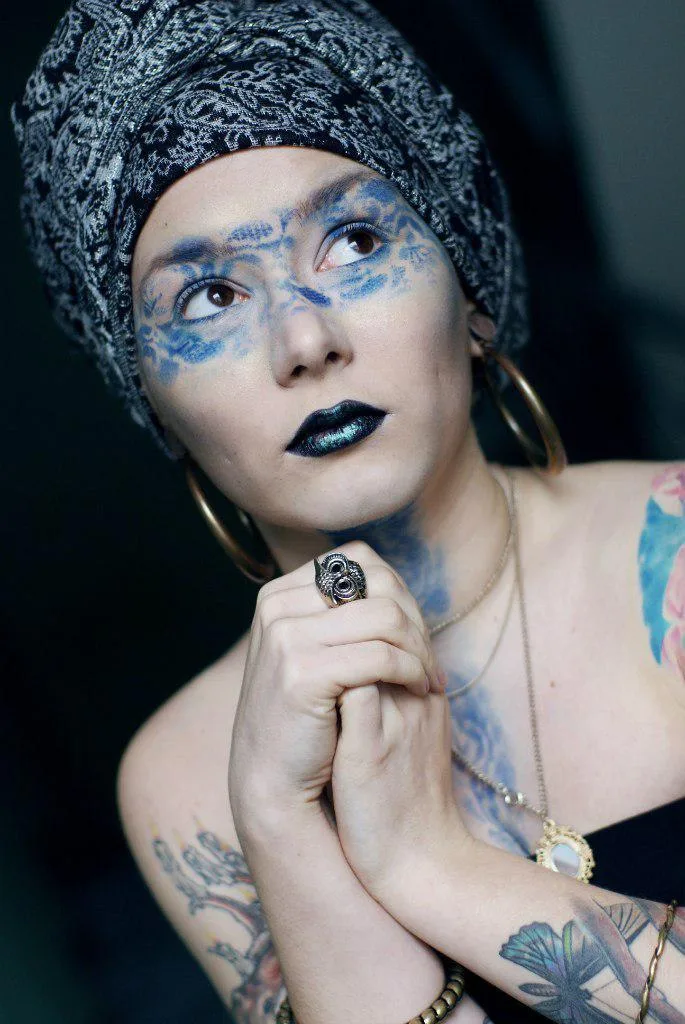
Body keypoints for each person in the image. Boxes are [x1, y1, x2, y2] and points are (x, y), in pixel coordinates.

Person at [13, 1, 685, 1022]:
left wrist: (425, 862)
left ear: (470, 293)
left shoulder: (670, 553)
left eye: (355, 239)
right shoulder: (188, 770)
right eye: (208, 298)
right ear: (157, 406)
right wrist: (282, 826)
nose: (303, 340)